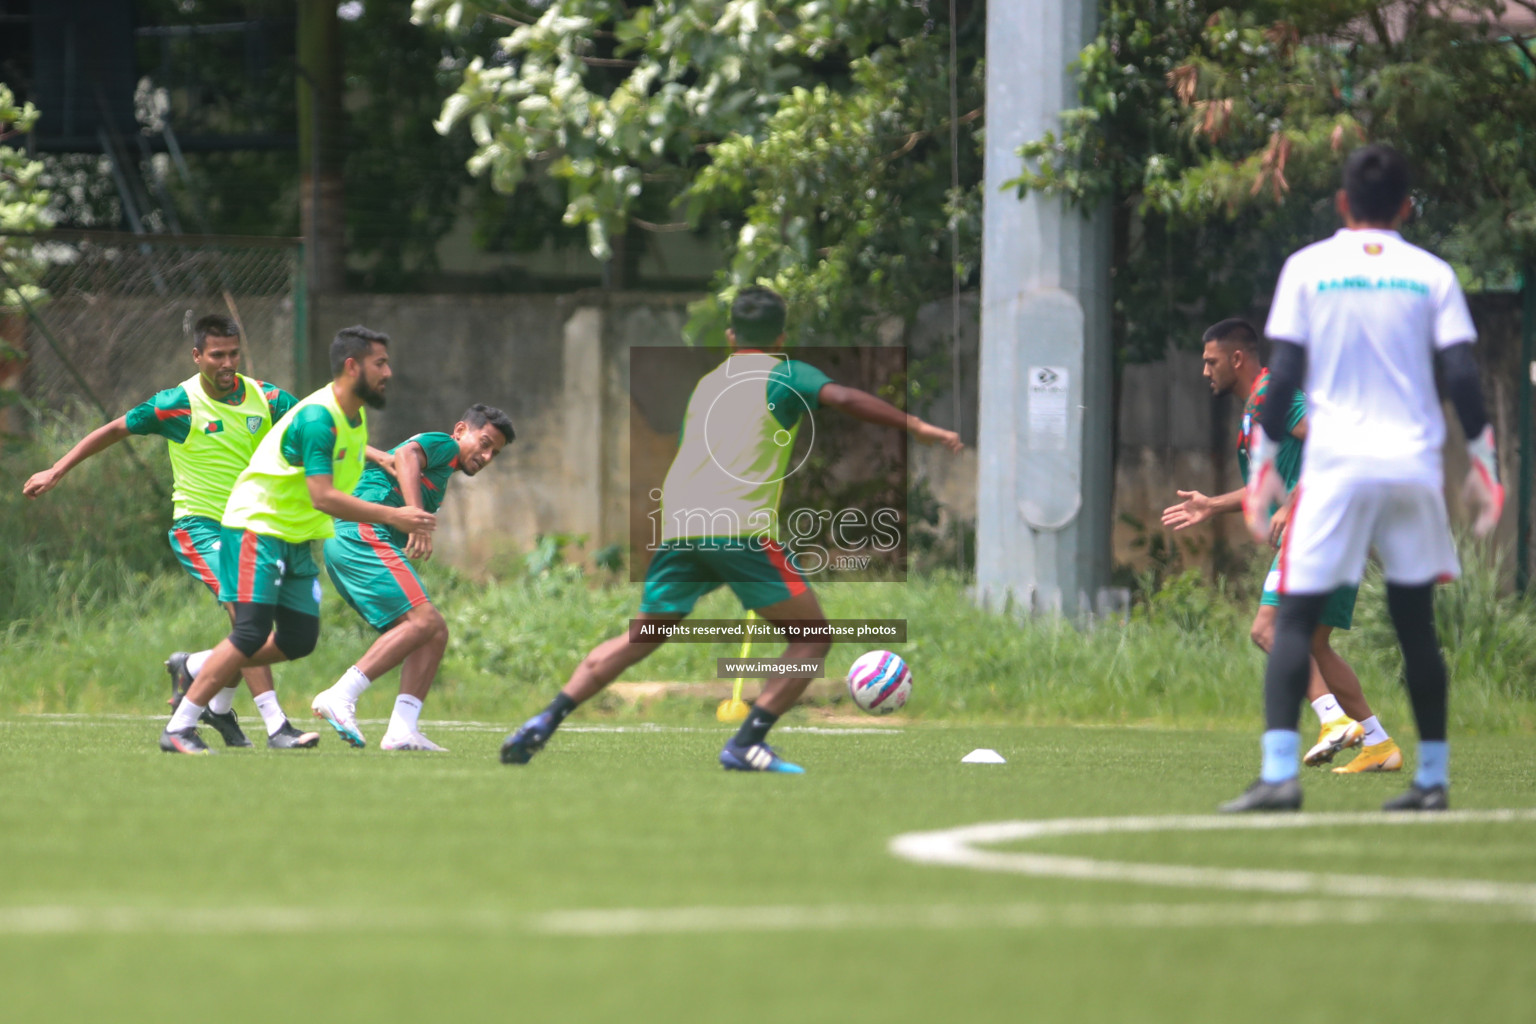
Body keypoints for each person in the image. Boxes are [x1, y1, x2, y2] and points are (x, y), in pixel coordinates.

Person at [499, 286, 963, 773]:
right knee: (812, 639)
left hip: (680, 526)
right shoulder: (783, 372)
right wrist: (920, 428)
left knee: (643, 636)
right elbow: (843, 397)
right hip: (737, 529)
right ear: (781, 337)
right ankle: (748, 742)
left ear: (729, 335)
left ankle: (545, 720)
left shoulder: (707, 385)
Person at [1221, 145, 1503, 812]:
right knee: (1414, 626)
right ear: (1407, 208)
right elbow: (1462, 375)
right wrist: (1485, 466)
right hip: (1410, 467)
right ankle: (1431, 780)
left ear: (1344, 204)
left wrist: (1263, 472)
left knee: (1290, 622)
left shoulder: (1308, 268)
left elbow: (1283, 376)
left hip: (1337, 468)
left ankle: (1279, 777)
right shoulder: (1432, 274)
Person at [23, 314, 315, 748]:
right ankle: (276, 726)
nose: (227, 362)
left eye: (234, 353)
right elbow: (116, 428)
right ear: (197, 356)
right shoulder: (178, 403)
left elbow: (317, 425)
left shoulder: (266, 396)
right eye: (217, 354)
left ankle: (200, 678)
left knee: (256, 626)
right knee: (247, 616)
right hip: (200, 529)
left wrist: (378, 457)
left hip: (253, 530)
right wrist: (57, 469)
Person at [158, 325, 437, 754]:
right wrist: (393, 514)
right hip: (256, 526)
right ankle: (180, 726)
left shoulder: (354, 418)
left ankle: (193, 665)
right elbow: (323, 495)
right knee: (250, 632)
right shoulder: (317, 417)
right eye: (380, 363)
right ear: (352, 366)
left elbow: (339, 485)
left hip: (295, 535)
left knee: (298, 640)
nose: (389, 372)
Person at [1163, 318, 1400, 773]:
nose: (1205, 371)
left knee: (1267, 630)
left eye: (1211, 361)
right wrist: (1211, 505)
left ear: (1237, 358)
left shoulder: (1276, 395)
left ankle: (1332, 721)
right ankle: (1378, 744)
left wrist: (1293, 504)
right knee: (1315, 645)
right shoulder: (1255, 411)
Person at [310, 405, 515, 751]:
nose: (486, 455)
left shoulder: (443, 474)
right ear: (460, 429)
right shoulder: (444, 445)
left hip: (355, 541)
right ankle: (340, 695)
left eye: (494, 451)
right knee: (424, 621)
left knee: (433, 632)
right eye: (483, 443)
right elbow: (406, 455)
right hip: (360, 534)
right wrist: (418, 518)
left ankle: (403, 730)